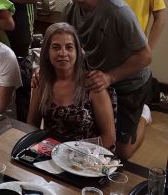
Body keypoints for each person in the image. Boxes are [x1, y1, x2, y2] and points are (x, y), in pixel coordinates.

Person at [59, 0, 152, 159]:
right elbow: (63, 47)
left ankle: (143, 115)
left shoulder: (118, 11)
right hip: (99, 82)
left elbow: (145, 56)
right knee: (98, 143)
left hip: (130, 82)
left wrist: (110, 77)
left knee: (122, 153)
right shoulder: (69, 11)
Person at [27, 22, 116, 150]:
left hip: (86, 157)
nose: (63, 53)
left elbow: (109, 137)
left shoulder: (92, 85)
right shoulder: (41, 82)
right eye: (56, 47)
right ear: (47, 52)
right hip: (49, 153)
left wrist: (70, 153)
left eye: (69, 47)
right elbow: (32, 125)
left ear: (78, 52)